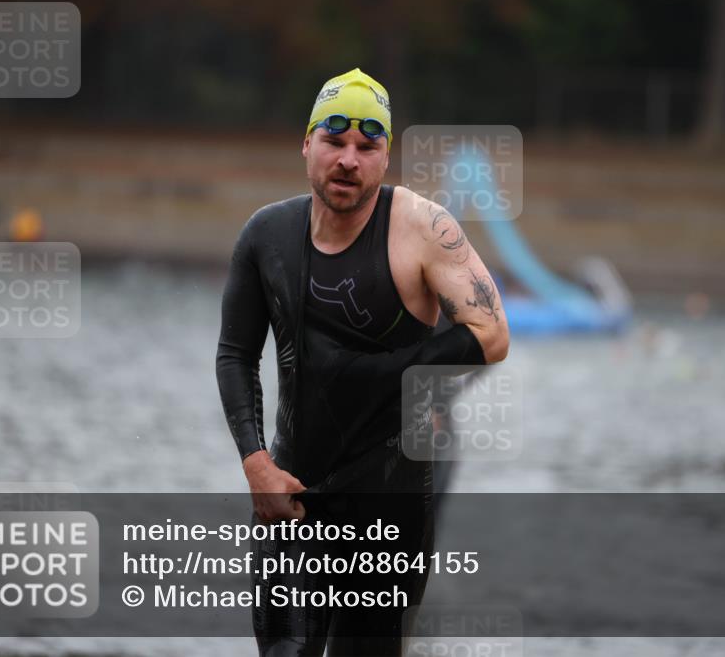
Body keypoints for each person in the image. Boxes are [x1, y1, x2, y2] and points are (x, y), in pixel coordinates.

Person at [215, 68, 509, 656]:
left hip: (389, 507)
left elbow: (491, 333)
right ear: (306, 144)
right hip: (293, 493)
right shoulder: (266, 236)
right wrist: (255, 463)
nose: (348, 160)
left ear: (385, 156)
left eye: (367, 147)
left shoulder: (423, 229)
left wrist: (384, 379)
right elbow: (236, 354)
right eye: (334, 141)